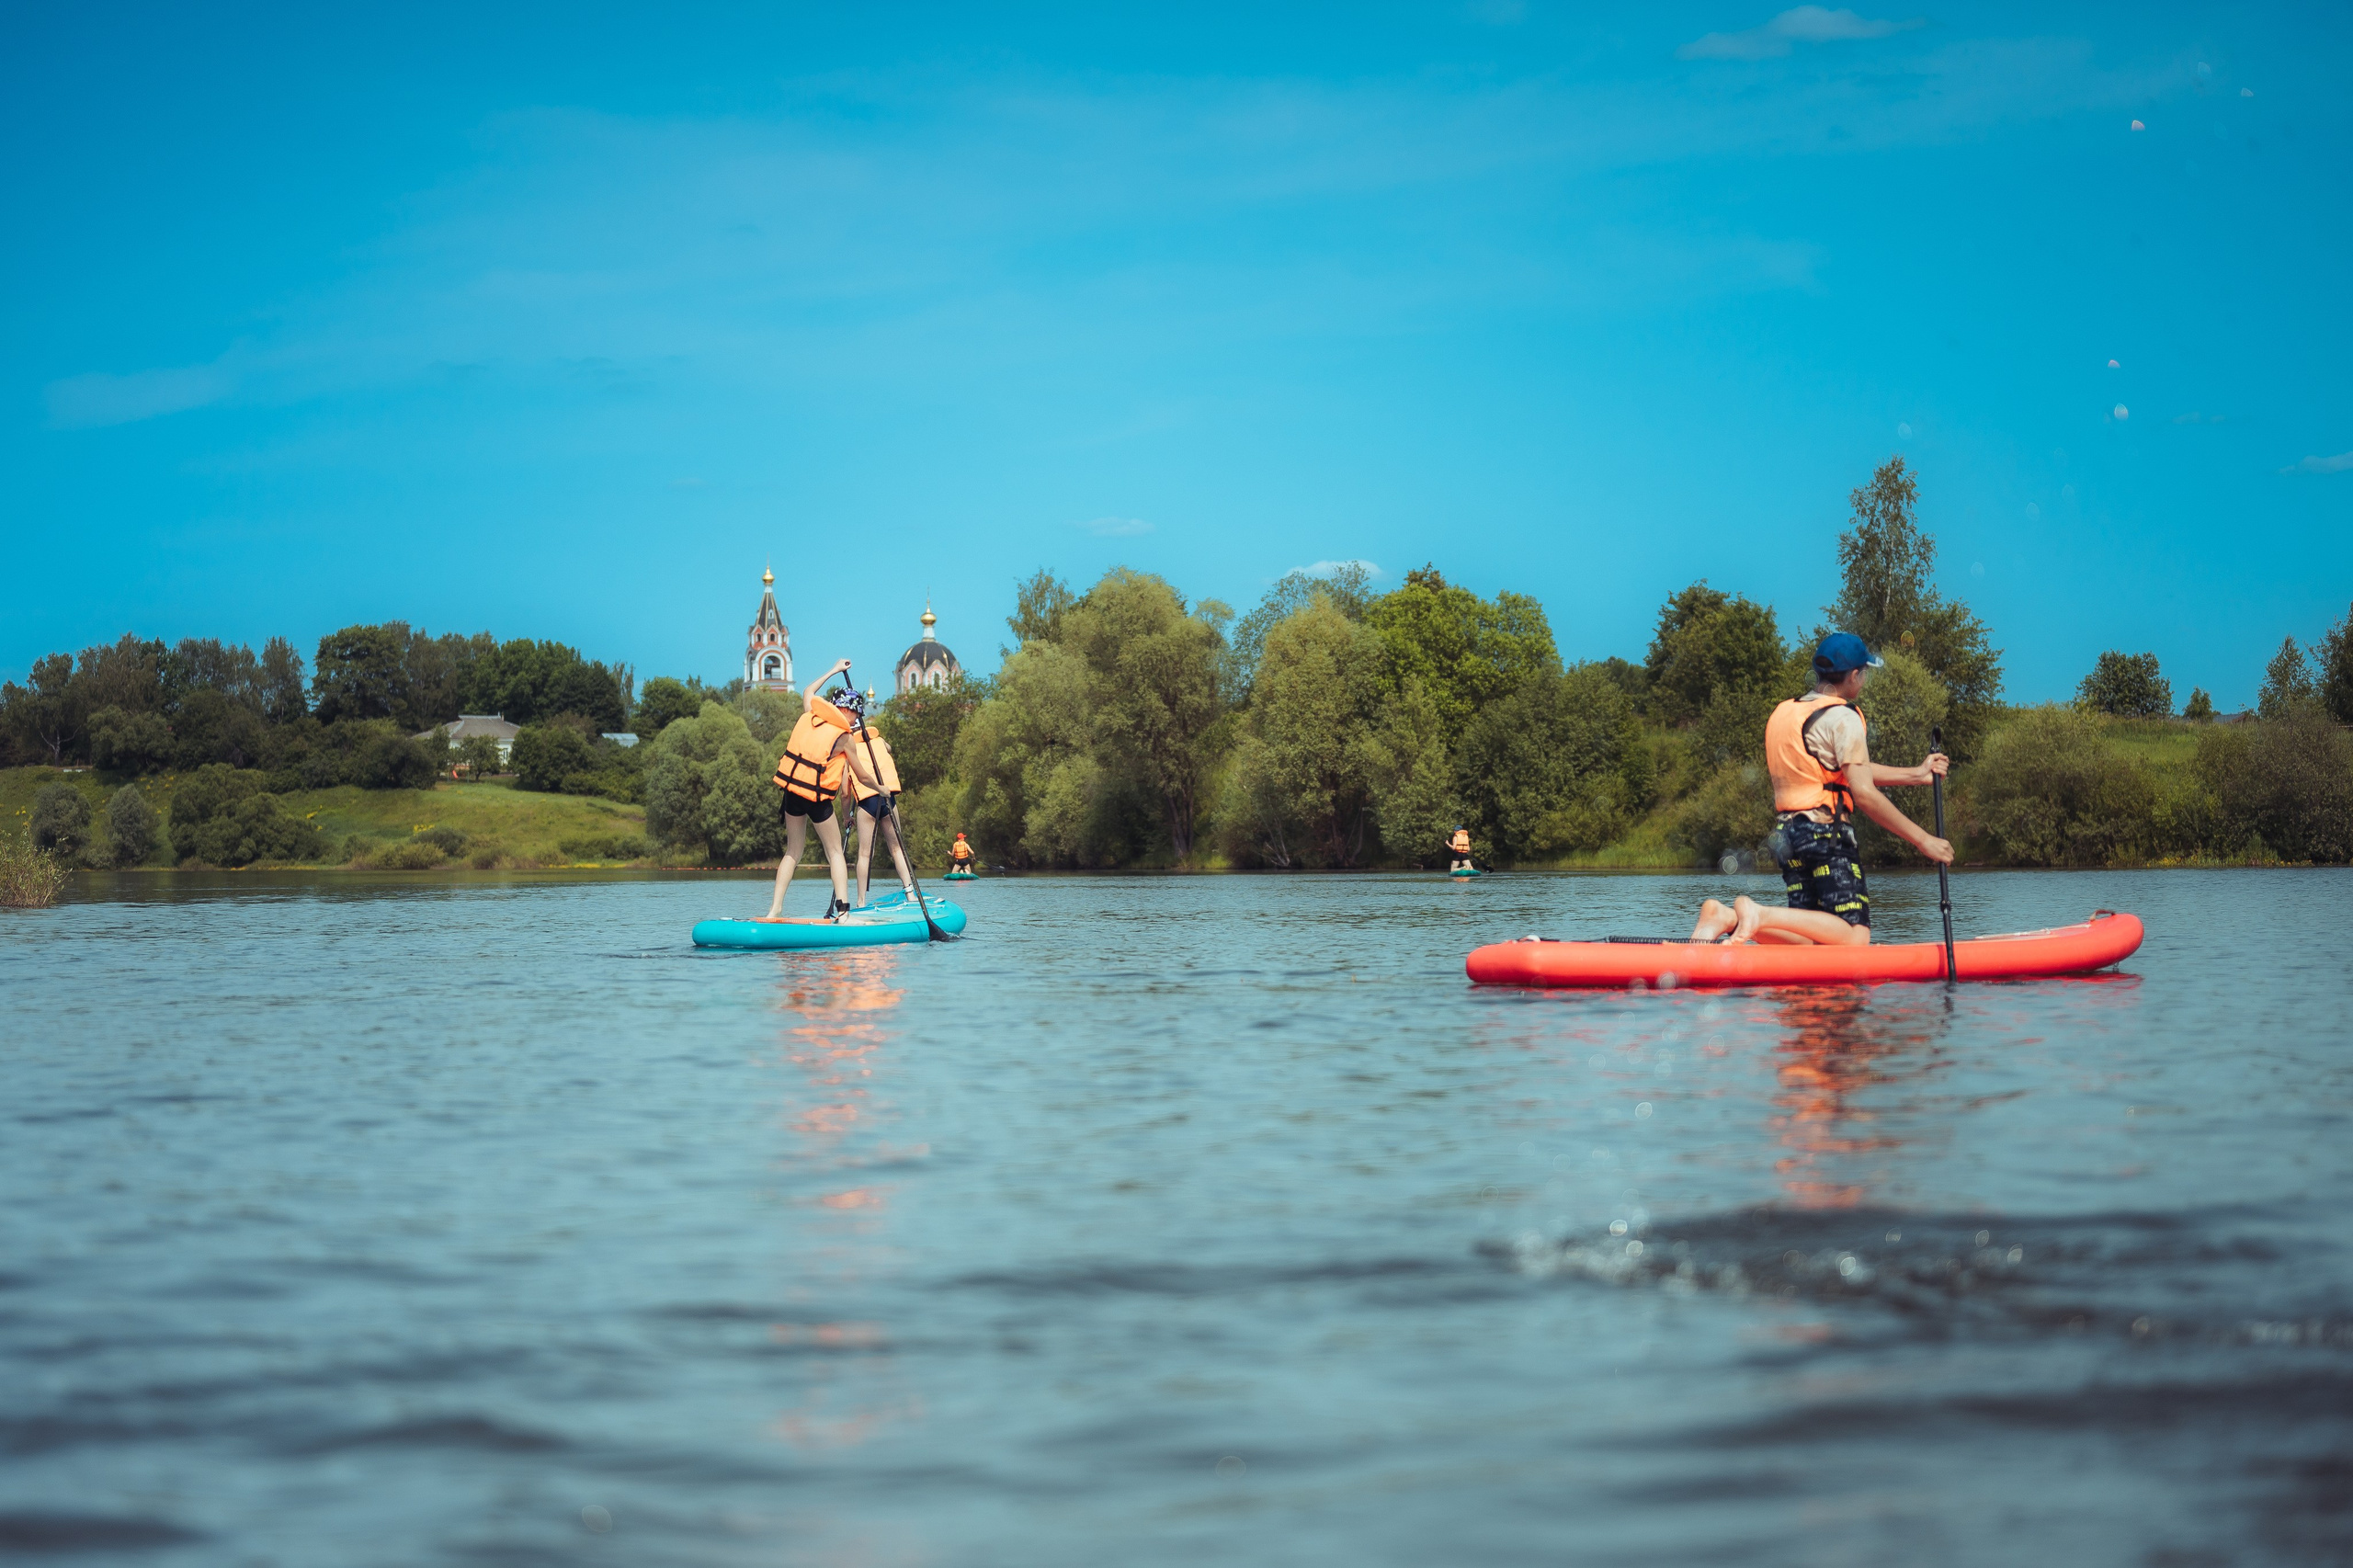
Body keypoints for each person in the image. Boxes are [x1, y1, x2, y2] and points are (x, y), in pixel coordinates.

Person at [1690, 632, 1952, 946]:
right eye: (1864, 673)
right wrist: (1924, 841)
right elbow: (1864, 793)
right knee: (1854, 938)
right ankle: (1758, 914)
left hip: (1788, 836)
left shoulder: (1784, 712)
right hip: (1825, 834)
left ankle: (1728, 918)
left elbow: (1841, 770)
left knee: (1812, 941)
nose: (1864, 680)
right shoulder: (1843, 717)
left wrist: (1916, 774)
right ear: (1854, 675)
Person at [765, 659, 858, 920]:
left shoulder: (811, 716)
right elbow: (859, 776)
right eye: (855, 714)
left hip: (792, 792)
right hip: (817, 797)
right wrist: (880, 788)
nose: (856, 719)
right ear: (846, 711)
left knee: (792, 852)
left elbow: (808, 691)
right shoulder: (844, 737)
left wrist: (834, 670)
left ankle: (775, 910)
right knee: (835, 852)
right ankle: (843, 911)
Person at [840, 710, 916, 908]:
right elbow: (889, 748)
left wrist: (846, 816)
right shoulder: (880, 742)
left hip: (867, 802)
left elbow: (845, 793)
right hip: (888, 799)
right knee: (897, 848)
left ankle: (860, 901)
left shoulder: (848, 753)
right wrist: (875, 740)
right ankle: (910, 894)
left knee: (865, 854)